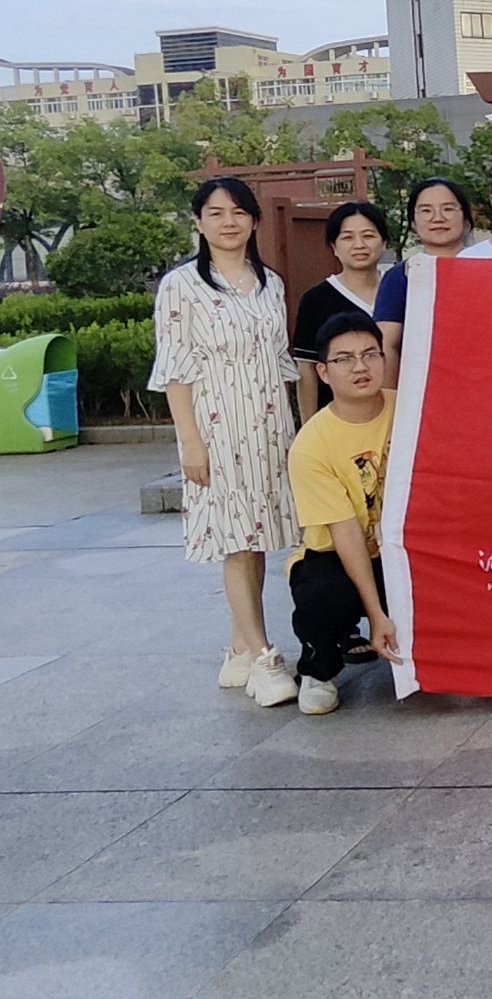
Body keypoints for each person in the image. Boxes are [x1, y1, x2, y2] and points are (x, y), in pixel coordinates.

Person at [149, 177, 301, 707]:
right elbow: (175, 371)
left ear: (254, 220)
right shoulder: (181, 286)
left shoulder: (270, 283)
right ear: (198, 222)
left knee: (257, 540)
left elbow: (281, 363)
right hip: (217, 430)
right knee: (235, 542)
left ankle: (238, 648)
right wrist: (190, 443)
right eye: (215, 213)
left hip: (269, 429)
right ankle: (262, 656)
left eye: (238, 212)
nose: (228, 222)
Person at [285, 313, 404, 715]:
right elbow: (347, 533)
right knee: (324, 597)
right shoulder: (312, 445)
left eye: (370, 354)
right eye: (345, 359)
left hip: (400, 548)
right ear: (323, 372)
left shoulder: (409, 410)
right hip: (337, 554)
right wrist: (376, 615)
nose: (360, 367)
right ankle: (318, 670)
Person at [292, 201, 389, 422]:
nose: (359, 245)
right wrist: (310, 427)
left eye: (368, 236)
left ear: (383, 242)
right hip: (339, 422)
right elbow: (307, 370)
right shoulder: (315, 300)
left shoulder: (401, 292)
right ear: (334, 247)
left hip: (398, 418)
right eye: (347, 237)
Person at [376, 177, 474, 388]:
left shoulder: (487, 268)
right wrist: (390, 398)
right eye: (426, 211)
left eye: (448, 209)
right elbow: (387, 344)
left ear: (465, 218)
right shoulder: (400, 277)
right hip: (421, 390)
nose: (438, 218)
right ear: (413, 222)